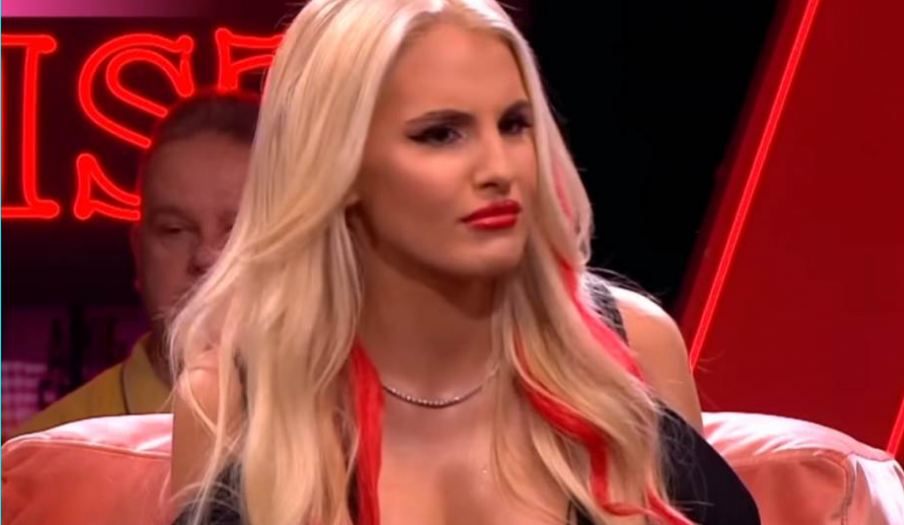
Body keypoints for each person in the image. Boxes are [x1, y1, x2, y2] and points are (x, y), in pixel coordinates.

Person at [169, 1, 758, 524]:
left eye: (514, 125)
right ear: (338, 167)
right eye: (441, 134)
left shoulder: (632, 349)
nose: (499, 168)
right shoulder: (229, 400)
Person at [9, 91, 259, 438]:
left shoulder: (336, 433)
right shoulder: (42, 453)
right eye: (174, 230)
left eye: (236, 229)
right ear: (138, 253)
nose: (205, 256)